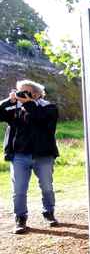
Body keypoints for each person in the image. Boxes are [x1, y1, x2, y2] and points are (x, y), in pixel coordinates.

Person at [0, 79, 60, 234]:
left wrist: (28, 103)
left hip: (44, 155)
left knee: (47, 187)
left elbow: (41, 120)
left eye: (27, 92)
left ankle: (49, 213)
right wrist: (9, 101)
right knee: (19, 189)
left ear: (37, 93)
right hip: (19, 155)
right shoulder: (15, 109)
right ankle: (20, 218)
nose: (24, 95)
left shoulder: (49, 108)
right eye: (21, 91)